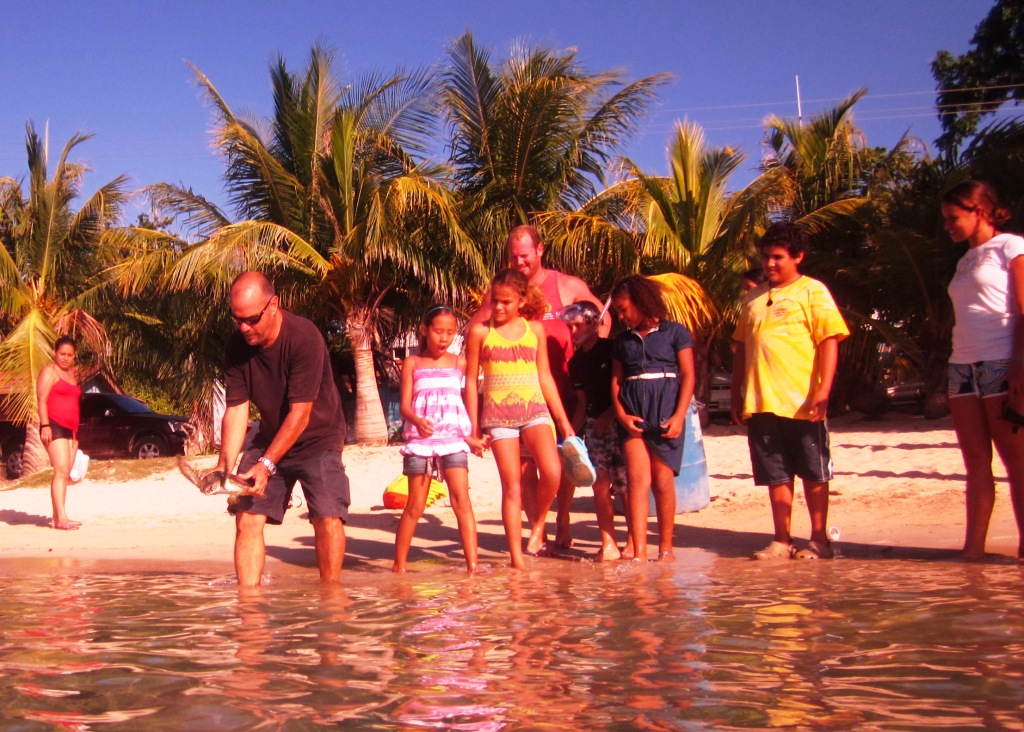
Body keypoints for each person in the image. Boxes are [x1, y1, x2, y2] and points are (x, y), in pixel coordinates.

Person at [470, 225, 607, 549]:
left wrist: (590, 342)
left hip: (565, 392)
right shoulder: (501, 292)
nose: (519, 262)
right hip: (512, 400)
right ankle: (538, 531)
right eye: (513, 257)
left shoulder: (566, 285)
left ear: (540, 250)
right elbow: (476, 328)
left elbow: (602, 317)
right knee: (524, 470)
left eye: (525, 256)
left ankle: (561, 519)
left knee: (563, 463)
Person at [214, 272, 350, 585]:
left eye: (251, 319)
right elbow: (236, 408)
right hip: (269, 437)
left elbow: (301, 414)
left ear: (273, 305)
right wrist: (224, 465)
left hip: (319, 438)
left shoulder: (304, 336)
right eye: (237, 320)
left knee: (327, 516)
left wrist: (266, 465)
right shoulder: (237, 346)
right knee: (246, 518)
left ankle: (330, 601)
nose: (244, 328)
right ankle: (249, 612)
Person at [730, 222, 850, 560]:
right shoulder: (752, 298)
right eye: (766, 257)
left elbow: (828, 341)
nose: (770, 264)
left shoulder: (813, 291)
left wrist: (823, 391)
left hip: (802, 401)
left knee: (813, 472)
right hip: (760, 401)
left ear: (798, 257)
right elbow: (741, 347)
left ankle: (819, 539)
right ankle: (782, 539)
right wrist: (739, 391)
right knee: (775, 475)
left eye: (778, 258)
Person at [464, 268, 575, 569]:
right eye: (495, 301)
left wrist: (563, 420)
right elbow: (472, 382)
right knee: (511, 487)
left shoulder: (535, 329)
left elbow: (546, 377)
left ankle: (538, 527)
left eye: (506, 302)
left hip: (535, 410)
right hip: (498, 416)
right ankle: (517, 558)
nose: (498, 307)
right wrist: (473, 429)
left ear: (522, 301)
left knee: (552, 471)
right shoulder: (480, 332)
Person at [940, 180, 1024, 561]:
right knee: (975, 461)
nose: (947, 226)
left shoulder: (1011, 247)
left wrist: (1020, 364)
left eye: (953, 218)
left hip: (1000, 361)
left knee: (1016, 458)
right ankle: (972, 551)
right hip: (962, 365)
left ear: (979, 212)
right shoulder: (963, 261)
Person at [610, 276, 696, 562]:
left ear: (641, 302)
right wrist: (621, 415)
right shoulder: (622, 341)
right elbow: (616, 380)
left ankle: (666, 549)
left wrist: (679, 416)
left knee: (662, 481)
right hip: (633, 413)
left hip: (667, 410)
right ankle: (640, 552)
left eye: (623, 309)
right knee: (637, 481)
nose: (620, 317)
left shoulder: (675, 333)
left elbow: (688, 375)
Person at [393, 305, 482, 573]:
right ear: (425, 329)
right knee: (415, 506)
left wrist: (472, 435)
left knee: (461, 502)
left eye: (450, 333)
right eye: (438, 331)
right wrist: (417, 420)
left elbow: (469, 400)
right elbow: (405, 405)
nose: (444, 338)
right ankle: (399, 566)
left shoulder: (460, 363)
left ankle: (473, 566)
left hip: (454, 441)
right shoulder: (413, 363)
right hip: (420, 444)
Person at [563, 301, 630, 561]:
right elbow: (582, 402)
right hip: (594, 427)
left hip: (619, 422)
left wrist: (611, 414)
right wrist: (572, 433)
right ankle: (608, 542)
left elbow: (625, 389)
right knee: (600, 485)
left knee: (625, 485)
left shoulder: (614, 350)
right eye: (570, 327)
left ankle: (633, 542)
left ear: (594, 322)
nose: (574, 331)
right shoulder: (576, 361)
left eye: (578, 325)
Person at [37, 336, 82, 530]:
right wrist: (45, 425)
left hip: (72, 430)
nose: (65, 358)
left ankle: (57, 518)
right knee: (61, 471)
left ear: (74, 356)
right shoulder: (49, 371)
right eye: (62, 354)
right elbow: (41, 399)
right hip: (54, 425)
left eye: (69, 355)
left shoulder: (72, 374)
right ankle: (62, 518)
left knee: (65, 475)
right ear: (55, 353)